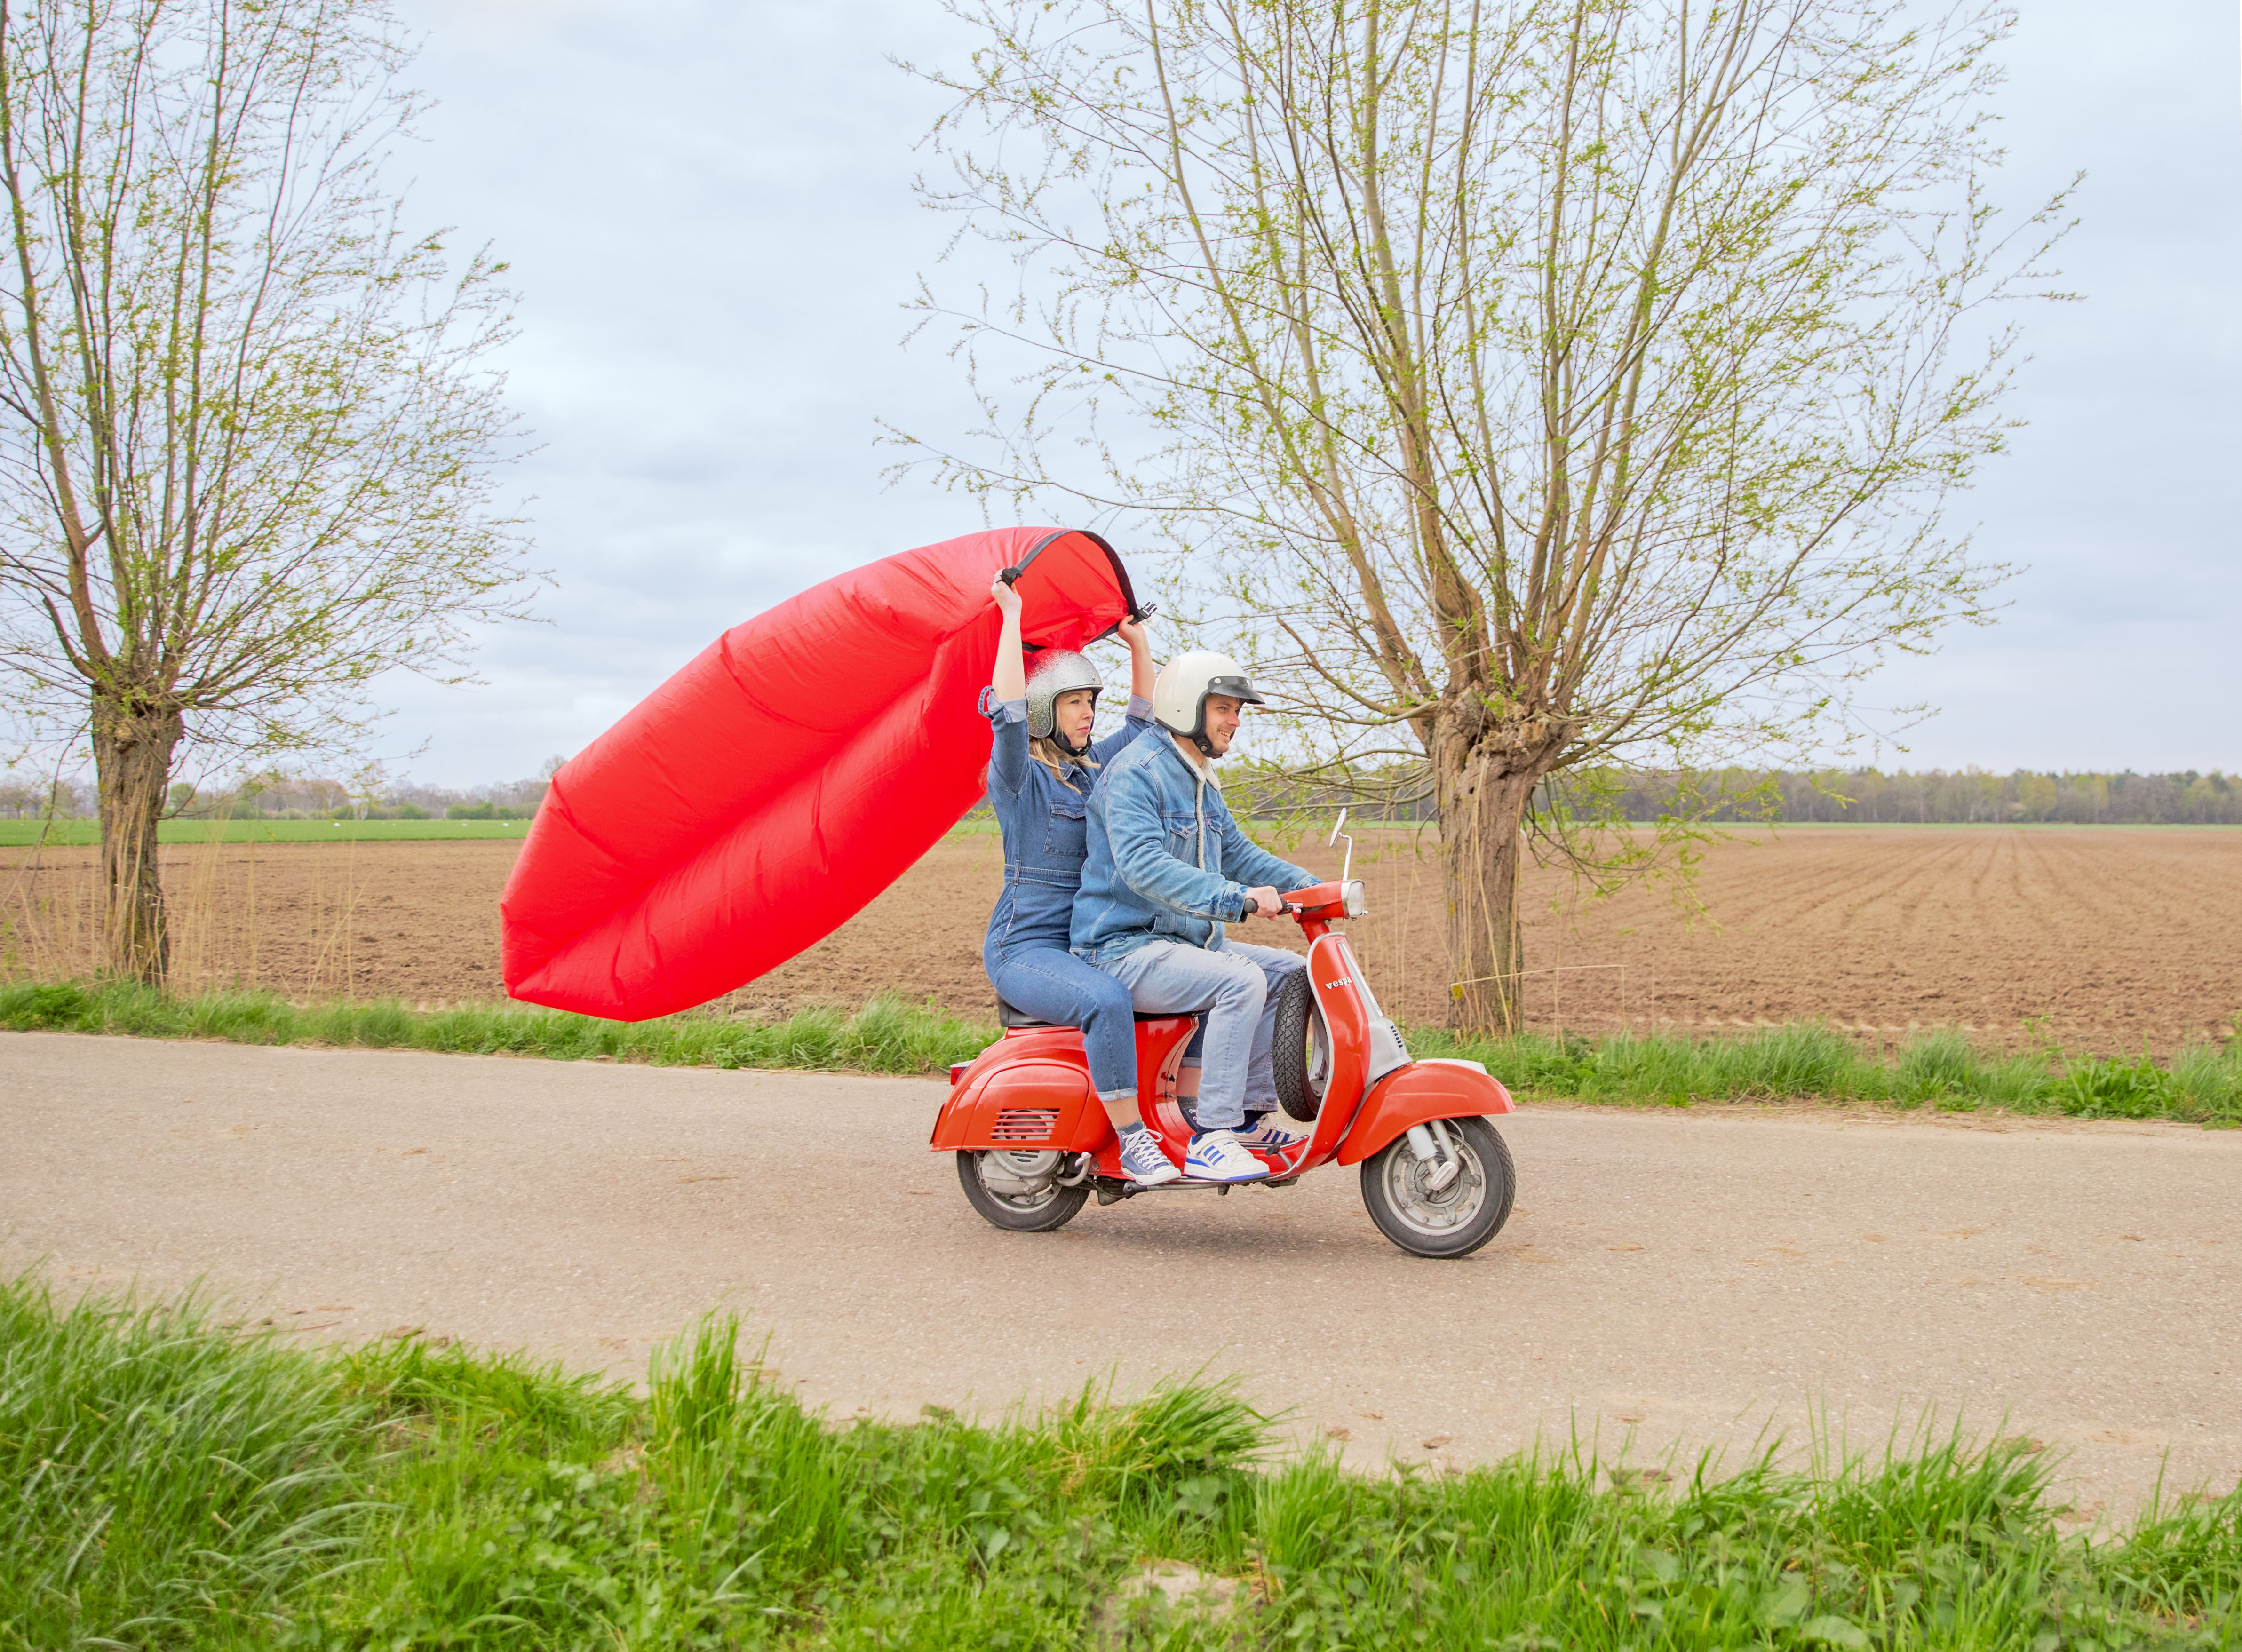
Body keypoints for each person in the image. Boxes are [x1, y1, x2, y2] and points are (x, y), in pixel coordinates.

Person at [1071, 651, 1315, 1183]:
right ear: (1188, 707)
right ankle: (1212, 1136)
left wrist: (1311, 886)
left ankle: (1247, 1117)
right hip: (1123, 948)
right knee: (1239, 980)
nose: (1235, 720)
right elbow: (1144, 868)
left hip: (1183, 943)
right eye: (1224, 708)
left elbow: (1240, 854)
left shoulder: (1198, 777)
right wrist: (1238, 898)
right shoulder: (1136, 773)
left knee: (1288, 974)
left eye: (1237, 710)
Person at [981, 577, 1180, 1186]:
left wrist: (1138, 648)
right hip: (1026, 950)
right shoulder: (1019, 782)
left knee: (1191, 968)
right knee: (1106, 999)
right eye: (1075, 702)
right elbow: (1007, 717)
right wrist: (1010, 616)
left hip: (1081, 943)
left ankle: (1191, 1118)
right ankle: (1133, 1140)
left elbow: (1145, 730)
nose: (1090, 712)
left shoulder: (1092, 774)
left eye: (1092, 701)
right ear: (1047, 709)